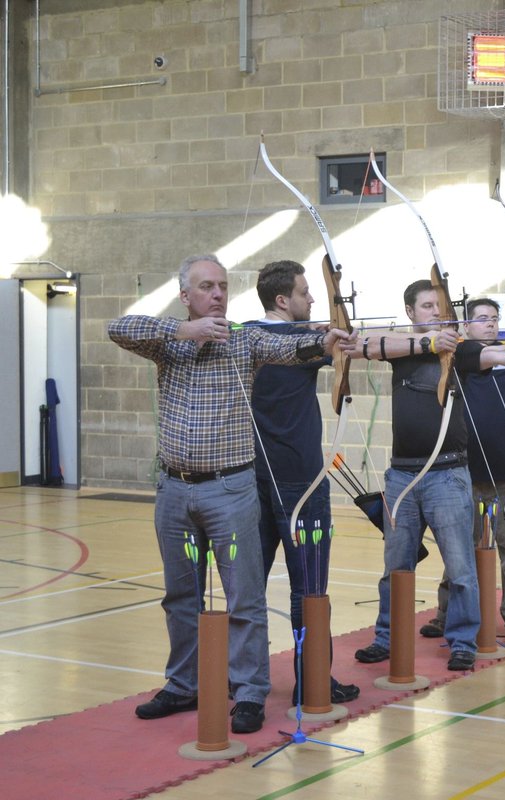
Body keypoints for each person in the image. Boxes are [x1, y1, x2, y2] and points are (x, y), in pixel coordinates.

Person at [108, 254, 349, 734]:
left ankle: (249, 691)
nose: (217, 294)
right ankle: (184, 685)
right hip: (175, 491)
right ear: (186, 296)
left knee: (243, 598)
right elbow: (119, 327)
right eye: (205, 287)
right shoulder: (167, 344)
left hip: (230, 490)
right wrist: (183, 333)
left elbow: (289, 349)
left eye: (221, 285)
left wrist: (324, 341)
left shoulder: (244, 339)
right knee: (181, 595)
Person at [348, 279, 505, 670]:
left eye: (439, 307)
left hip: (447, 475)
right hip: (402, 476)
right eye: (427, 306)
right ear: (411, 312)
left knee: (461, 565)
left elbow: (500, 356)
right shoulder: (400, 351)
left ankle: (462, 639)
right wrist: (427, 344)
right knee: (396, 564)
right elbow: (360, 345)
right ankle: (387, 636)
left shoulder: (461, 353)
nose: (435, 313)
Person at [249, 260, 359, 704]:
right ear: (282, 300)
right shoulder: (303, 341)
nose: (312, 298)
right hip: (302, 487)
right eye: (304, 292)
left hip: (252, 481)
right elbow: (363, 345)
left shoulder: (246, 339)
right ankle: (313, 682)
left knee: (248, 590)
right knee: (309, 588)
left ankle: (244, 685)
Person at [421, 297, 505, 648]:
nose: (490, 324)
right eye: (481, 319)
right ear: (465, 326)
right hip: (463, 472)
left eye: (494, 318)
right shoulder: (456, 361)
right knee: (458, 548)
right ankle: (447, 613)